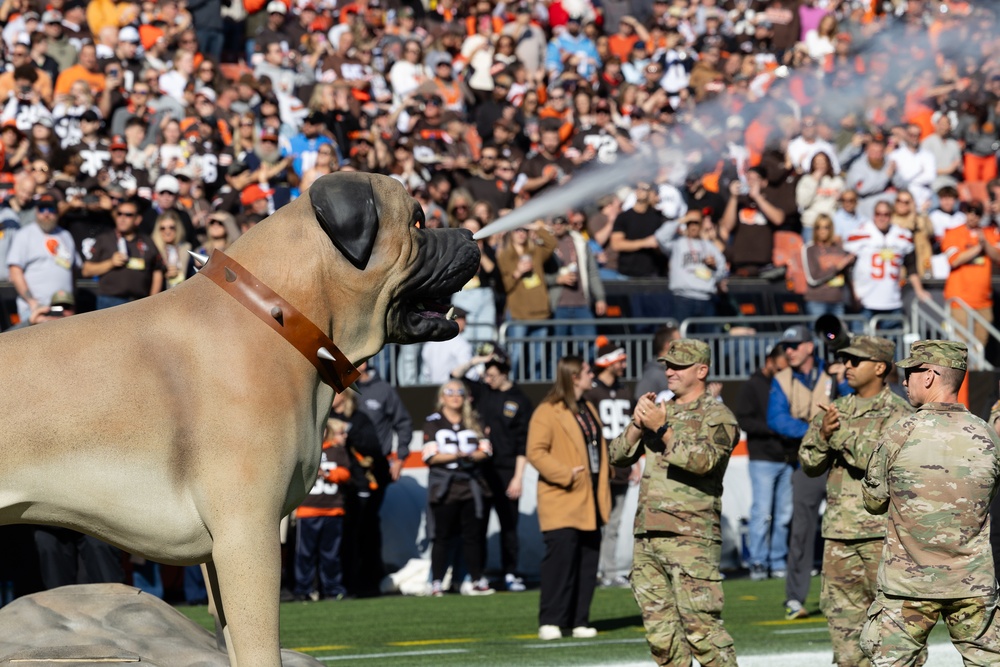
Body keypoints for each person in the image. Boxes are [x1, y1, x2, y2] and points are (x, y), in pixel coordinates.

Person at [862, 340, 1000, 666]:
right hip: (972, 584)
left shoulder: (898, 433)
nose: (904, 380)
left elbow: (873, 500)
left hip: (907, 586)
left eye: (911, 372)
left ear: (930, 376)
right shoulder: (988, 436)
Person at [609, 338, 738, 666]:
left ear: (702, 370)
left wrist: (662, 430)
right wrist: (638, 426)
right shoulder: (660, 410)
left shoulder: (717, 415)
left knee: (702, 631)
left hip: (691, 538)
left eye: (679, 366)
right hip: (648, 536)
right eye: (668, 365)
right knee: (661, 637)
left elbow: (705, 462)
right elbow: (617, 457)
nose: (670, 371)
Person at [799, 336, 912, 667]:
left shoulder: (900, 414)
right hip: (839, 537)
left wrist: (837, 434)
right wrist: (821, 435)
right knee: (845, 636)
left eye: (854, 361)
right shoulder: (837, 408)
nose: (846, 366)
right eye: (844, 360)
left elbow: (878, 463)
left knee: (896, 633)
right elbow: (808, 462)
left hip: (884, 537)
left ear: (879, 367)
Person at [768, 324, 850, 621]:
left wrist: (842, 379)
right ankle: (794, 598)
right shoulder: (781, 379)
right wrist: (817, 431)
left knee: (852, 527)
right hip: (809, 460)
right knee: (801, 530)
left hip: (842, 459)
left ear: (809, 347)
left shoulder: (834, 370)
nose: (788, 352)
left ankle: (854, 593)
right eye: (786, 347)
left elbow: (853, 403)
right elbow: (776, 419)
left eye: (794, 346)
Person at [527, 356, 610, 641]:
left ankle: (578, 619)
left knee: (587, 562)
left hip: (591, 498)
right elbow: (535, 452)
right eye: (588, 372)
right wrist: (566, 473)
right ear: (574, 376)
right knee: (560, 562)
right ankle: (551, 620)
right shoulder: (548, 411)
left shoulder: (588, 407)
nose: (592, 376)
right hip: (563, 497)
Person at [452, 346, 533, 593]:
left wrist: (518, 478)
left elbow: (523, 444)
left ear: (506, 372)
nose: (488, 379)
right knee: (478, 523)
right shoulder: (483, 391)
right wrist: (480, 360)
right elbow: (455, 376)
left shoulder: (520, 400)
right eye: (486, 374)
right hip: (481, 469)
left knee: (509, 525)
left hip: (507, 469)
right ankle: (479, 574)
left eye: (493, 374)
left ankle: (511, 572)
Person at [422, 380, 496, 597]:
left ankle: (474, 579)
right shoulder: (433, 421)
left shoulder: (474, 419)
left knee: (473, 535)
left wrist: (471, 456)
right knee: (442, 535)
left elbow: (486, 449)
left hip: (471, 483)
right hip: (445, 486)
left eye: (460, 392)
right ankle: (436, 581)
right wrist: (457, 455)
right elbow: (430, 455)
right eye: (450, 392)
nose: (455, 396)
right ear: (441, 396)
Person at [353, 361, 413, 596]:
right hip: (347, 466)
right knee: (350, 523)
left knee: (368, 520)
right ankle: (350, 577)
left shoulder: (384, 390)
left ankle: (371, 575)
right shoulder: (342, 386)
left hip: (376, 466)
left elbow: (404, 423)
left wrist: (401, 457)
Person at [583, 337, 639, 588]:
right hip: (599, 467)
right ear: (609, 362)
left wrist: (636, 461)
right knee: (596, 521)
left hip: (623, 466)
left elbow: (633, 429)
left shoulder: (626, 391)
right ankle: (592, 569)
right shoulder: (592, 391)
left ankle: (610, 570)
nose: (624, 365)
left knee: (614, 523)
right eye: (621, 360)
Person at [735, 344, 792, 581]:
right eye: (781, 366)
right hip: (762, 458)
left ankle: (777, 561)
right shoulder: (752, 385)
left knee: (784, 515)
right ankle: (758, 561)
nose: (783, 371)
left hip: (786, 457)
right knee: (762, 512)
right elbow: (744, 420)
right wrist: (773, 428)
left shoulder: (789, 383)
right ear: (770, 361)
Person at [293, 417, 352, 602]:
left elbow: (345, 473)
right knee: (305, 554)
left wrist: (326, 474)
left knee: (331, 554)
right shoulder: (305, 451)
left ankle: (333, 590)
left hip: (332, 510)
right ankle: (303, 590)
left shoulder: (337, 451)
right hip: (308, 510)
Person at [842, 201, 918, 328]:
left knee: (892, 345)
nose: (882, 218)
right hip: (865, 300)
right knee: (861, 345)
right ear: (873, 215)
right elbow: (848, 267)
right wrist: (852, 293)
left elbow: (911, 265)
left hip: (892, 300)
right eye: (878, 214)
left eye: (886, 214)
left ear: (891, 215)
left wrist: (919, 290)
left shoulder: (902, 235)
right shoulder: (860, 233)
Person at [6, 194, 79, 325]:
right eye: (42, 209)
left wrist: (72, 303)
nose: (46, 214)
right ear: (36, 211)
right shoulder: (24, 234)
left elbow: (73, 271)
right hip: (36, 310)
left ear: (57, 211)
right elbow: (15, 271)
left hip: (64, 310)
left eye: (51, 210)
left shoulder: (65, 235)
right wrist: (32, 302)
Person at [81, 199, 164, 309]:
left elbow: (157, 271)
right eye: (119, 214)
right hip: (109, 302)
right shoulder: (104, 239)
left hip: (140, 303)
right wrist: (111, 263)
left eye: (128, 215)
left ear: (138, 219)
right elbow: (86, 270)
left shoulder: (147, 242)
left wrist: (153, 301)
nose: (122, 218)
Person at [941, 201, 1000, 348]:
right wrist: (978, 247)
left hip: (983, 300)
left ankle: (975, 372)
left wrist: (985, 243)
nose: (973, 216)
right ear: (965, 213)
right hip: (959, 300)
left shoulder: (989, 233)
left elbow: (998, 258)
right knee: (961, 346)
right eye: (970, 212)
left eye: (977, 213)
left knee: (980, 346)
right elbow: (954, 260)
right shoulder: (953, 232)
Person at [801, 214, 855, 317]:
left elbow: (847, 277)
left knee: (834, 334)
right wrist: (836, 268)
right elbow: (813, 278)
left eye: (826, 227)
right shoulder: (810, 249)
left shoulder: (839, 249)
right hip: (817, 302)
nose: (822, 231)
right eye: (818, 227)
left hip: (837, 301)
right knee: (819, 333)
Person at [634, 322, 681, 401]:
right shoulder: (652, 375)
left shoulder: (682, 370)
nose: (683, 346)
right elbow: (641, 401)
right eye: (679, 342)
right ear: (668, 345)